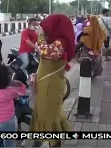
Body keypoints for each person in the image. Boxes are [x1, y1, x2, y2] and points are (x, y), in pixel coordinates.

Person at [30, 14, 75, 147]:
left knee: (51, 117)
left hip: (51, 88)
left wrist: (41, 35)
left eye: (46, 27)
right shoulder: (55, 42)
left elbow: (46, 52)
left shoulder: (60, 42)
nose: (44, 30)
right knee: (43, 114)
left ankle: (54, 144)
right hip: (45, 86)